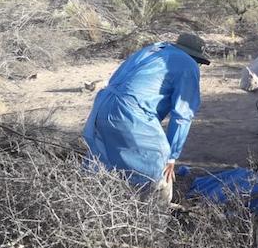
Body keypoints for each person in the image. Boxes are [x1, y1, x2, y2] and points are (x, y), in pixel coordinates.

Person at [82, 33, 210, 201]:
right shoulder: (188, 64)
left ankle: (98, 211)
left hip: (102, 105)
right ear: (194, 57)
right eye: (199, 62)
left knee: (104, 166)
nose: (198, 66)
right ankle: (152, 220)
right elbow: (182, 115)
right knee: (157, 168)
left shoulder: (152, 50)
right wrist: (172, 156)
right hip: (129, 113)